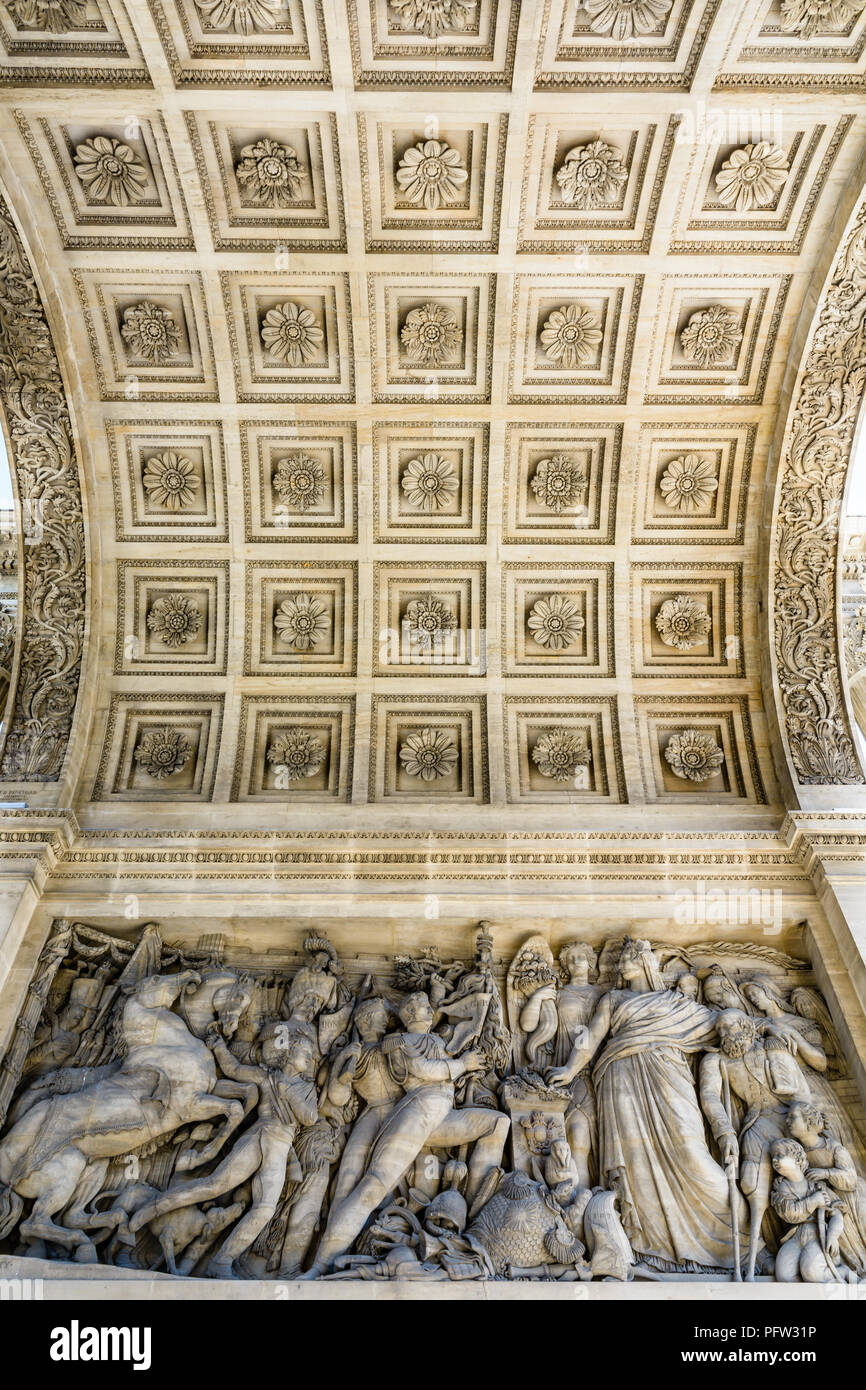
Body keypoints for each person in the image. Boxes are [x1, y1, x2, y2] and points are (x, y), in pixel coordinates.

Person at [548, 937, 748, 1275]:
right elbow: (591, 1037)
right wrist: (569, 1069)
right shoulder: (613, 999)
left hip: (668, 1074)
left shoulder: (677, 1003)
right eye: (620, 959)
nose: (621, 965)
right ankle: (648, 1248)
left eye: (627, 958)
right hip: (621, 1077)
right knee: (636, 1163)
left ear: (645, 962)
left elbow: (723, 1025)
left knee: (691, 1151)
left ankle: (739, 1240)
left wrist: (769, 1025)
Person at [304, 991, 509, 1276]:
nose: (431, 1010)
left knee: (498, 1123)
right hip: (419, 1110)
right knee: (372, 1186)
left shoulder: (434, 1039)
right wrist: (463, 1064)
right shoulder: (397, 1043)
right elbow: (419, 1068)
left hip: (442, 1115)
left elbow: (456, 1030)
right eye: (425, 1006)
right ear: (411, 1015)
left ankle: (473, 1220)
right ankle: (319, 1266)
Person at [129, 1019, 318, 1278]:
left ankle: (221, 1262)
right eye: (304, 1053)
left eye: (310, 1055)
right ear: (290, 1051)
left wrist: (289, 1091)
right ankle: (152, 1209)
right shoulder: (267, 1076)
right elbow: (235, 1069)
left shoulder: (306, 1088)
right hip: (258, 1136)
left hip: (281, 1147)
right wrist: (219, 1047)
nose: (308, 1059)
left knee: (264, 1210)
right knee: (215, 1185)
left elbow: (309, 1117)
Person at [700, 1009, 813, 1280]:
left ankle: (810, 1233)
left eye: (728, 1027)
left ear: (746, 1025)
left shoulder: (772, 1048)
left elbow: (801, 1093)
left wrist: (803, 1125)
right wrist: (724, 1131)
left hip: (789, 1120)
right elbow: (709, 1096)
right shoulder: (715, 1061)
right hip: (756, 1124)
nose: (724, 1034)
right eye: (720, 1031)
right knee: (751, 1185)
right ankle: (750, 1262)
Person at [785, 1100, 866, 1275]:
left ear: (809, 1122)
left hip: (849, 1199)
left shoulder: (833, 1148)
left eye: (793, 1117)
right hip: (824, 1201)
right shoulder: (797, 1150)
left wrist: (826, 1173)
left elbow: (851, 1179)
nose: (787, 1121)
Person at [769, 1138, 849, 1283]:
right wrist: (813, 1201)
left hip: (817, 1235)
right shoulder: (782, 1188)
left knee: (812, 1272)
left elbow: (836, 1214)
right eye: (772, 1156)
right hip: (795, 1237)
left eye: (779, 1154)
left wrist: (832, 1236)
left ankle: (844, 1272)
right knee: (784, 1276)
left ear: (797, 1158)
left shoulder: (816, 1185)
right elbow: (791, 1214)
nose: (774, 1159)